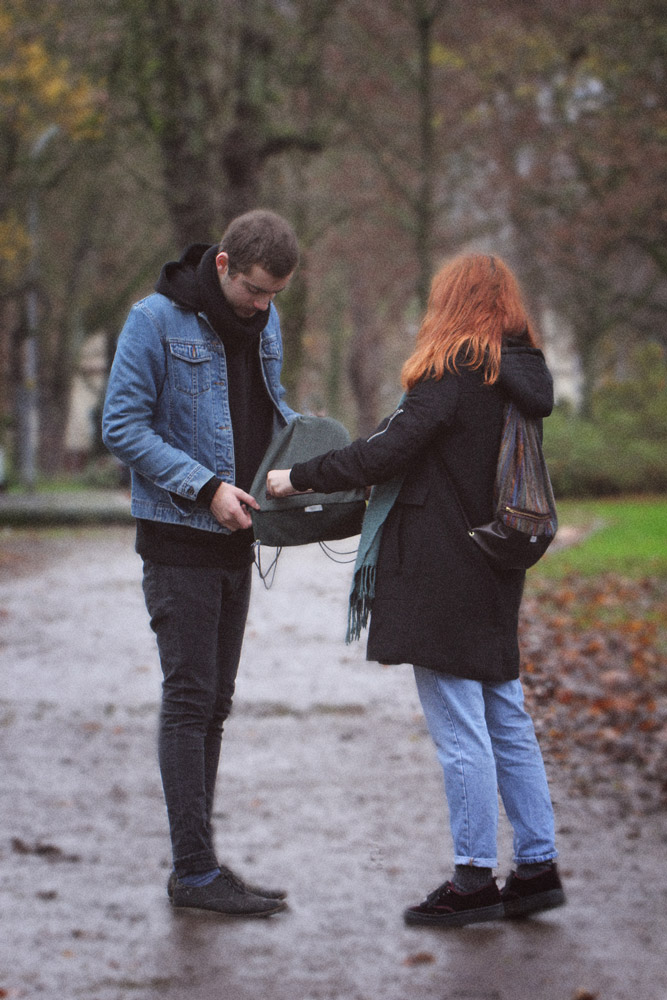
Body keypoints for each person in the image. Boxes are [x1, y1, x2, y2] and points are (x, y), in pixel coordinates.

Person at [266, 252, 566, 928]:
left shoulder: (453, 372)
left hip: (443, 571)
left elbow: (383, 452)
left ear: (449, 303)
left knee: (462, 726)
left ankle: (471, 879)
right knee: (505, 716)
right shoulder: (519, 376)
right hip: (496, 563)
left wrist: (297, 478)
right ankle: (537, 866)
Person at [102, 209, 299, 917]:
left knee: (214, 704)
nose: (263, 307)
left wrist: (306, 471)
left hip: (236, 542)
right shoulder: (153, 322)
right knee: (190, 701)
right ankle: (193, 872)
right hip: (178, 540)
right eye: (254, 290)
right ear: (222, 265)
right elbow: (120, 425)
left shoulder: (263, 324)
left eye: (275, 295)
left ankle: (201, 866)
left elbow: (267, 414)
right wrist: (205, 486)